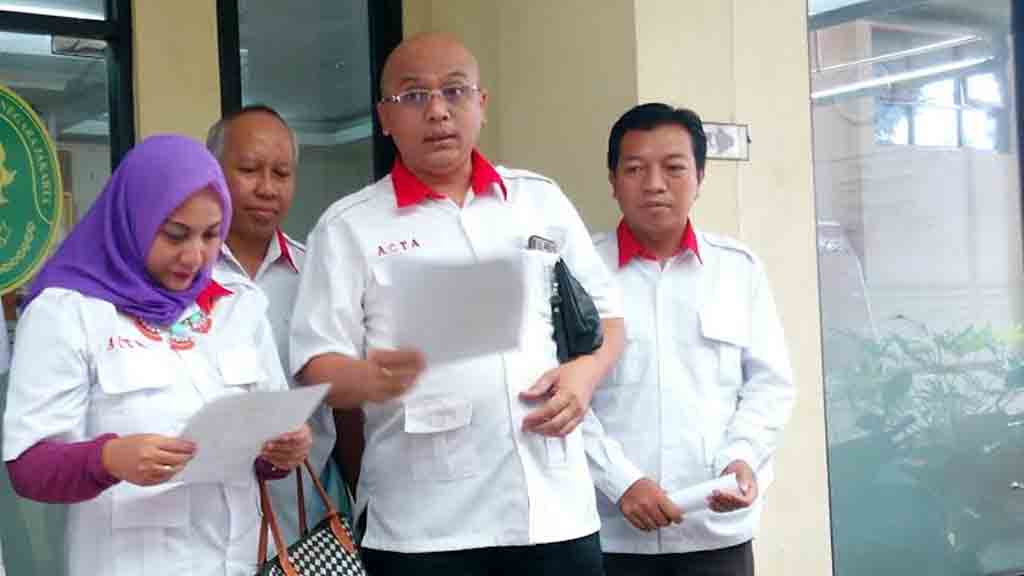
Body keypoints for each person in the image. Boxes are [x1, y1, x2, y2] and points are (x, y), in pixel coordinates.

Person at [290, 33, 625, 575]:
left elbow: (609, 318)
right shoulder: (349, 227)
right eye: (414, 96)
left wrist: (584, 376)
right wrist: (370, 379)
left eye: (454, 91)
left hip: (553, 511)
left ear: (481, 104)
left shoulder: (538, 200)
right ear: (385, 118)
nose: (438, 111)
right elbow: (315, 364)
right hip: (424, 527)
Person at [1, 134, 312, 576]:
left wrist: (280, 451)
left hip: (241, 561)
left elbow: (260, 452)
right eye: (175, 235)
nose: (195, 256)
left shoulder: (236, 303)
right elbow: (28, 468)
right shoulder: (68, 311)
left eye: (211, 235)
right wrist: (109, 459)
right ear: (135, 220)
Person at [583, 103, 796, 576]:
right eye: (635, 169)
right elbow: (560, 396)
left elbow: (770, 385)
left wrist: (741, 456)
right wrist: (621, 481)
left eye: (674, 168)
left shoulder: (738, 270)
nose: (654, 184)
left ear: (699, 176)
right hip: (610, 536)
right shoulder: (579, 272)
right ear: (613, 181)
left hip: (715, 530)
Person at [206, 105, 351, 543]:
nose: (267, 188)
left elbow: (344, 409)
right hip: (204, 523)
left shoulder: (317, 275)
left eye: (282, 173)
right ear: (211, 171)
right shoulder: (181, 277)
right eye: (249, 170)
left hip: (304, 522)